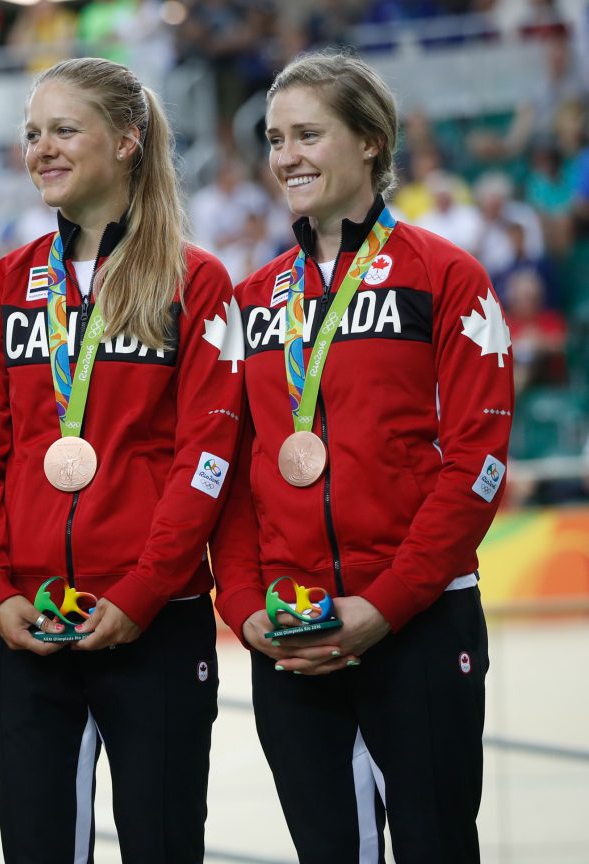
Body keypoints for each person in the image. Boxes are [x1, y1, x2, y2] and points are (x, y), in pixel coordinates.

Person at [211, 50, 513, 863]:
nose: (287, 158)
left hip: (417, 621)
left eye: (309, 134)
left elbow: (478, 463)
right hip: (292, 632)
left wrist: (386, 603)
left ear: (372, 141)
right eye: (276, 140)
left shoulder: (446, 277)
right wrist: (243, 608)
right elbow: (232, 476)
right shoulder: (250, 301)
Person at [0, 57, 243, 862]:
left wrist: (144, 592)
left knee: (163, 844)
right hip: (24, 625)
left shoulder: (196, 281)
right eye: (32, 133)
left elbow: (205, 458)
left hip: (155, 621)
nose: (42, 147)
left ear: (126, 141)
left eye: (63, 130)